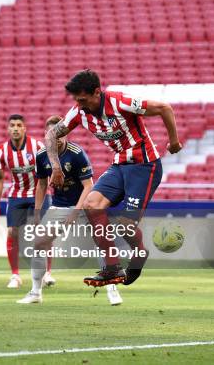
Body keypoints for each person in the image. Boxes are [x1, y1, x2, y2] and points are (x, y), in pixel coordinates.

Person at [45, 69, 182, 287]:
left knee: (126, 225)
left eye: (82, 99)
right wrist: (56, 167)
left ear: (97, 92)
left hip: (144, 166)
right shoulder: (79, 112)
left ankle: (139, 255)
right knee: (91, 205)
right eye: (76, 100)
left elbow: (164, 108)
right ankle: (111, 267)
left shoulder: (120, 102)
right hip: (119, 166)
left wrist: (173, 141)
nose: (79, 104)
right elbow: (51, 134)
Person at [17, 116, 122, 305]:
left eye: (58, 135)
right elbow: (41, 185)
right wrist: (38, 212)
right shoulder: (41, 156)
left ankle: (112, 289)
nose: (55, 139)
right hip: (59, 206)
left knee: (102, 242)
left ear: (65, 134)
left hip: (86, 205)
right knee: (39, 242)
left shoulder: (76, 153)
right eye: (51, 136)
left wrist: (75, 212)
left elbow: (88, 186)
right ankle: (35, 293)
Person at [0, 114, 54, 288]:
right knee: (12, 232)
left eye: (19, 125)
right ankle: (15, 276)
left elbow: (48, 171)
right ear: (8, 129)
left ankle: (47, 273)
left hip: (38, 194)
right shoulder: (3, 151)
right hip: (17, 195)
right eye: (12, 125)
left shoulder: (37, 147)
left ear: (25, 128)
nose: (16, 128)